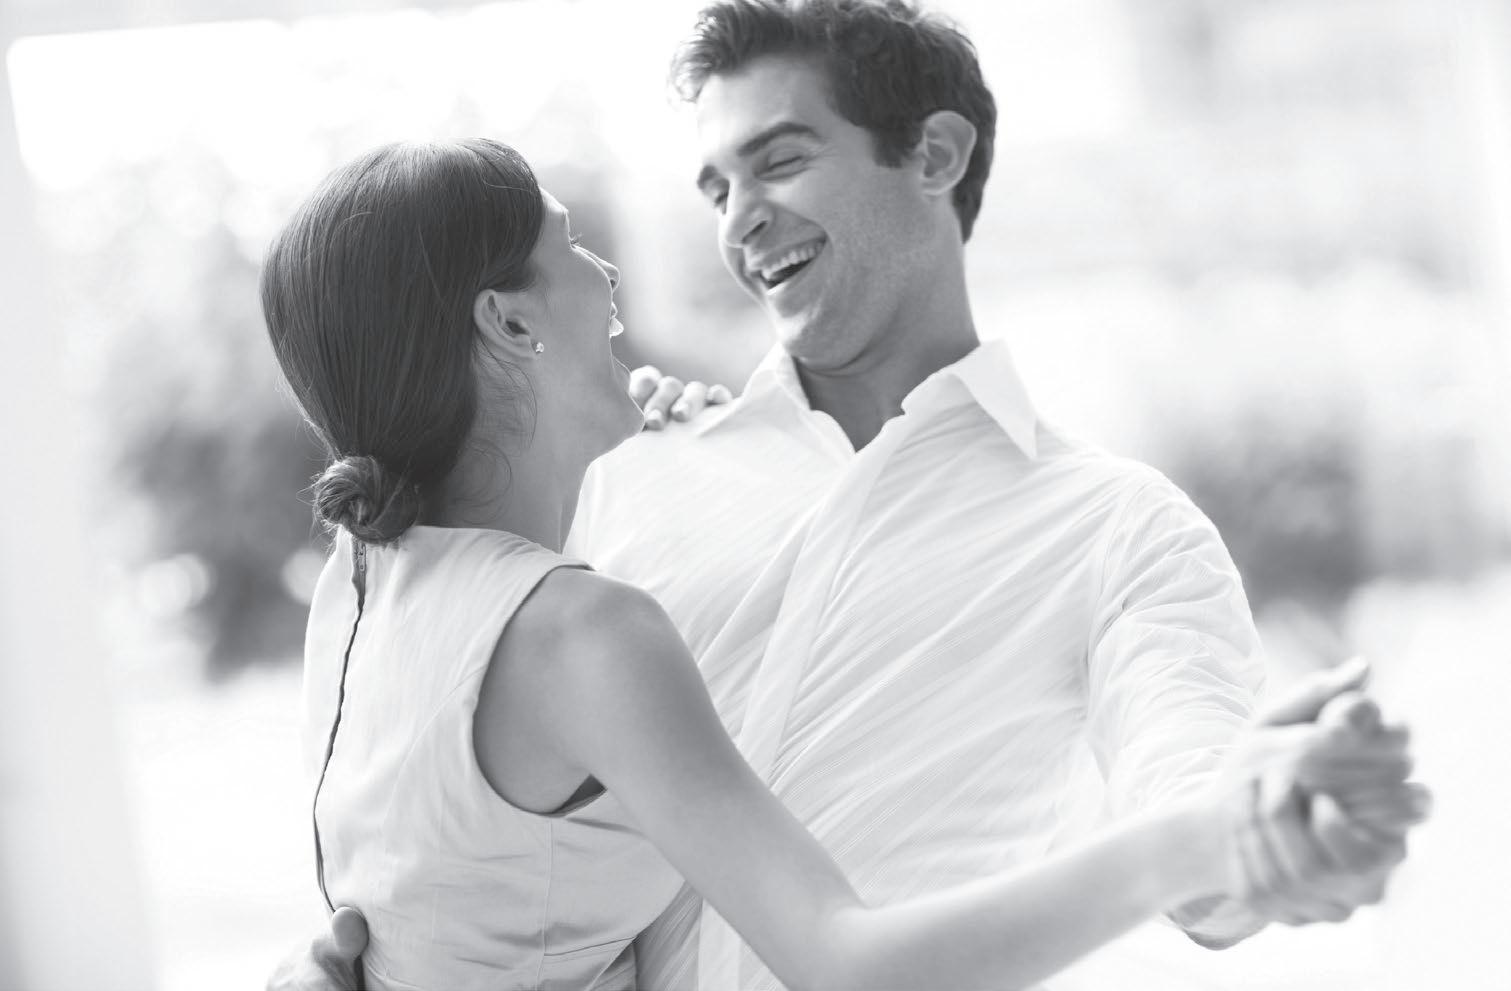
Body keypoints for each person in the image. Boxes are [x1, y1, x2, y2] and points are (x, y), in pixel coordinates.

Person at [270, 2, 1431, 988]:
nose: (738, 221)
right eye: (716, 187)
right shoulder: (612, 470)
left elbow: (1201, 841)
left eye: (778, 162)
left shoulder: (1121, 531)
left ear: (933, 155)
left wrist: (1266, 826)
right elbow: (452, 819)